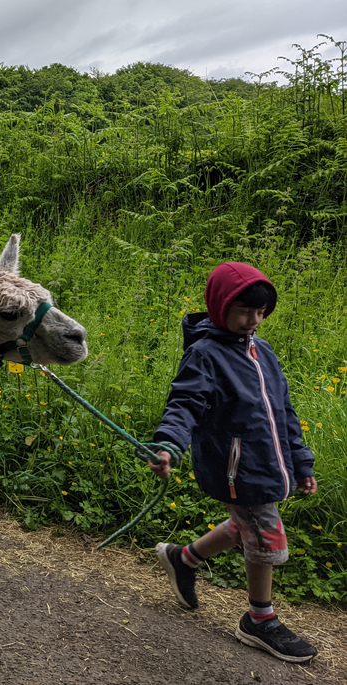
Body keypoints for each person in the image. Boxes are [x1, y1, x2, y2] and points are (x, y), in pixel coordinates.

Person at [148, 262, 317, 663]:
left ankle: (182, 558)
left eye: (261, 312)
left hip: (265, 463)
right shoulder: (205, 354)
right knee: (265, 535)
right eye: (244, 311)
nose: (253, 320)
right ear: (220, 306)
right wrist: (168, 444)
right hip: (236, 467)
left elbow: (284, 412)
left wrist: (302, 462)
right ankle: (259, 620)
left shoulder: (262, 350)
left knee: (248, 524)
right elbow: (184, 403)